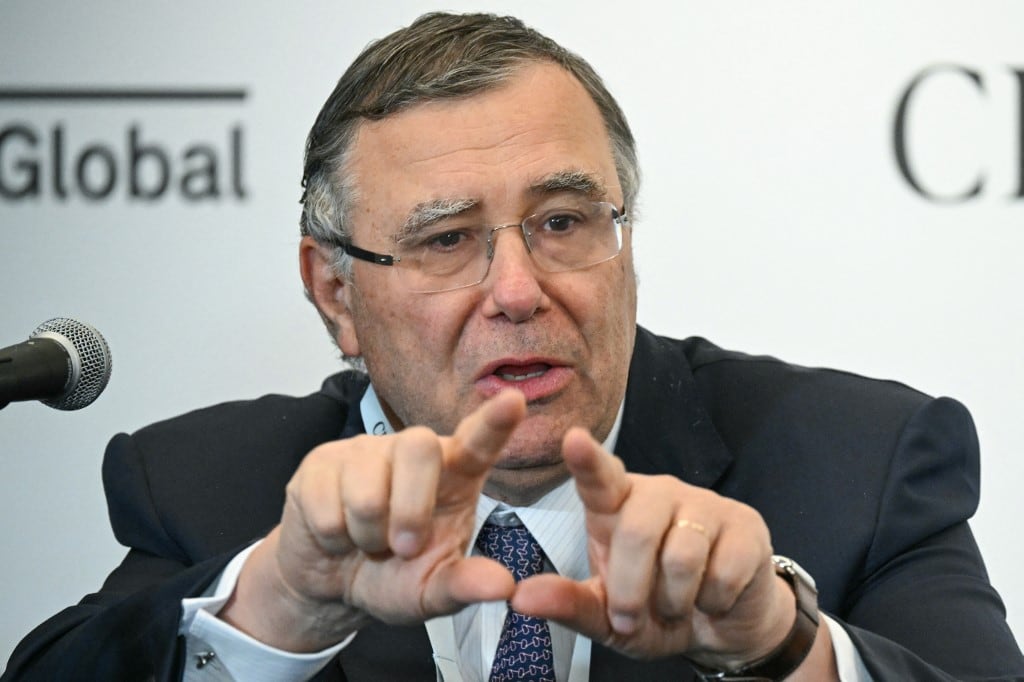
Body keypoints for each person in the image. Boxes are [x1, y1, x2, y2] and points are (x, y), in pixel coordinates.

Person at [4, 11, 1023, 682]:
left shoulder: (861, 461)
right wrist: (277, 605)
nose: (519, 289)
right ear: (336, 292)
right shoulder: (212, 487)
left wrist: (780, 642)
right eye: (446, 240)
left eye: (565, 221)